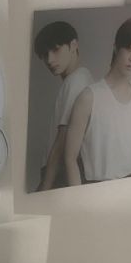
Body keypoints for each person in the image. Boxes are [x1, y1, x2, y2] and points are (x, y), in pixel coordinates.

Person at [64, 17, 131, 184]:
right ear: (116, 47)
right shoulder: (89, 97)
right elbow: (70, 159)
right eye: (130, 48)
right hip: (97, 185)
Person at [33, 21, 93, 190]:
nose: (50, 60)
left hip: (59, 172)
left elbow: (62, 141)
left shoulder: (75, 81)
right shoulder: (84, 77)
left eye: (56, 50)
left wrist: (45, 185)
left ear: (73, 45)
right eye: (45, 54)